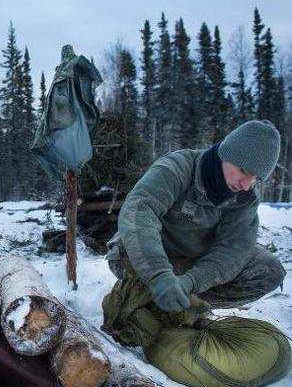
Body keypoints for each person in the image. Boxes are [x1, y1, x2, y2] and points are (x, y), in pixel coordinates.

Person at [106, 119, 286, 312]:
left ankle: (181, 304)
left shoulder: (245, 199)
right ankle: (155, 296)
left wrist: (190, 283)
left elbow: (233, 251)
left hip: (195, 263)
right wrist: (158, 275)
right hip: (153, 255)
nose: (246, 185)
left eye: (256, 178)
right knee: (125, 249)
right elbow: (139, 212)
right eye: (244, 171)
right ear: (225, 155)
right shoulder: (177, 167)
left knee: (269, 270)